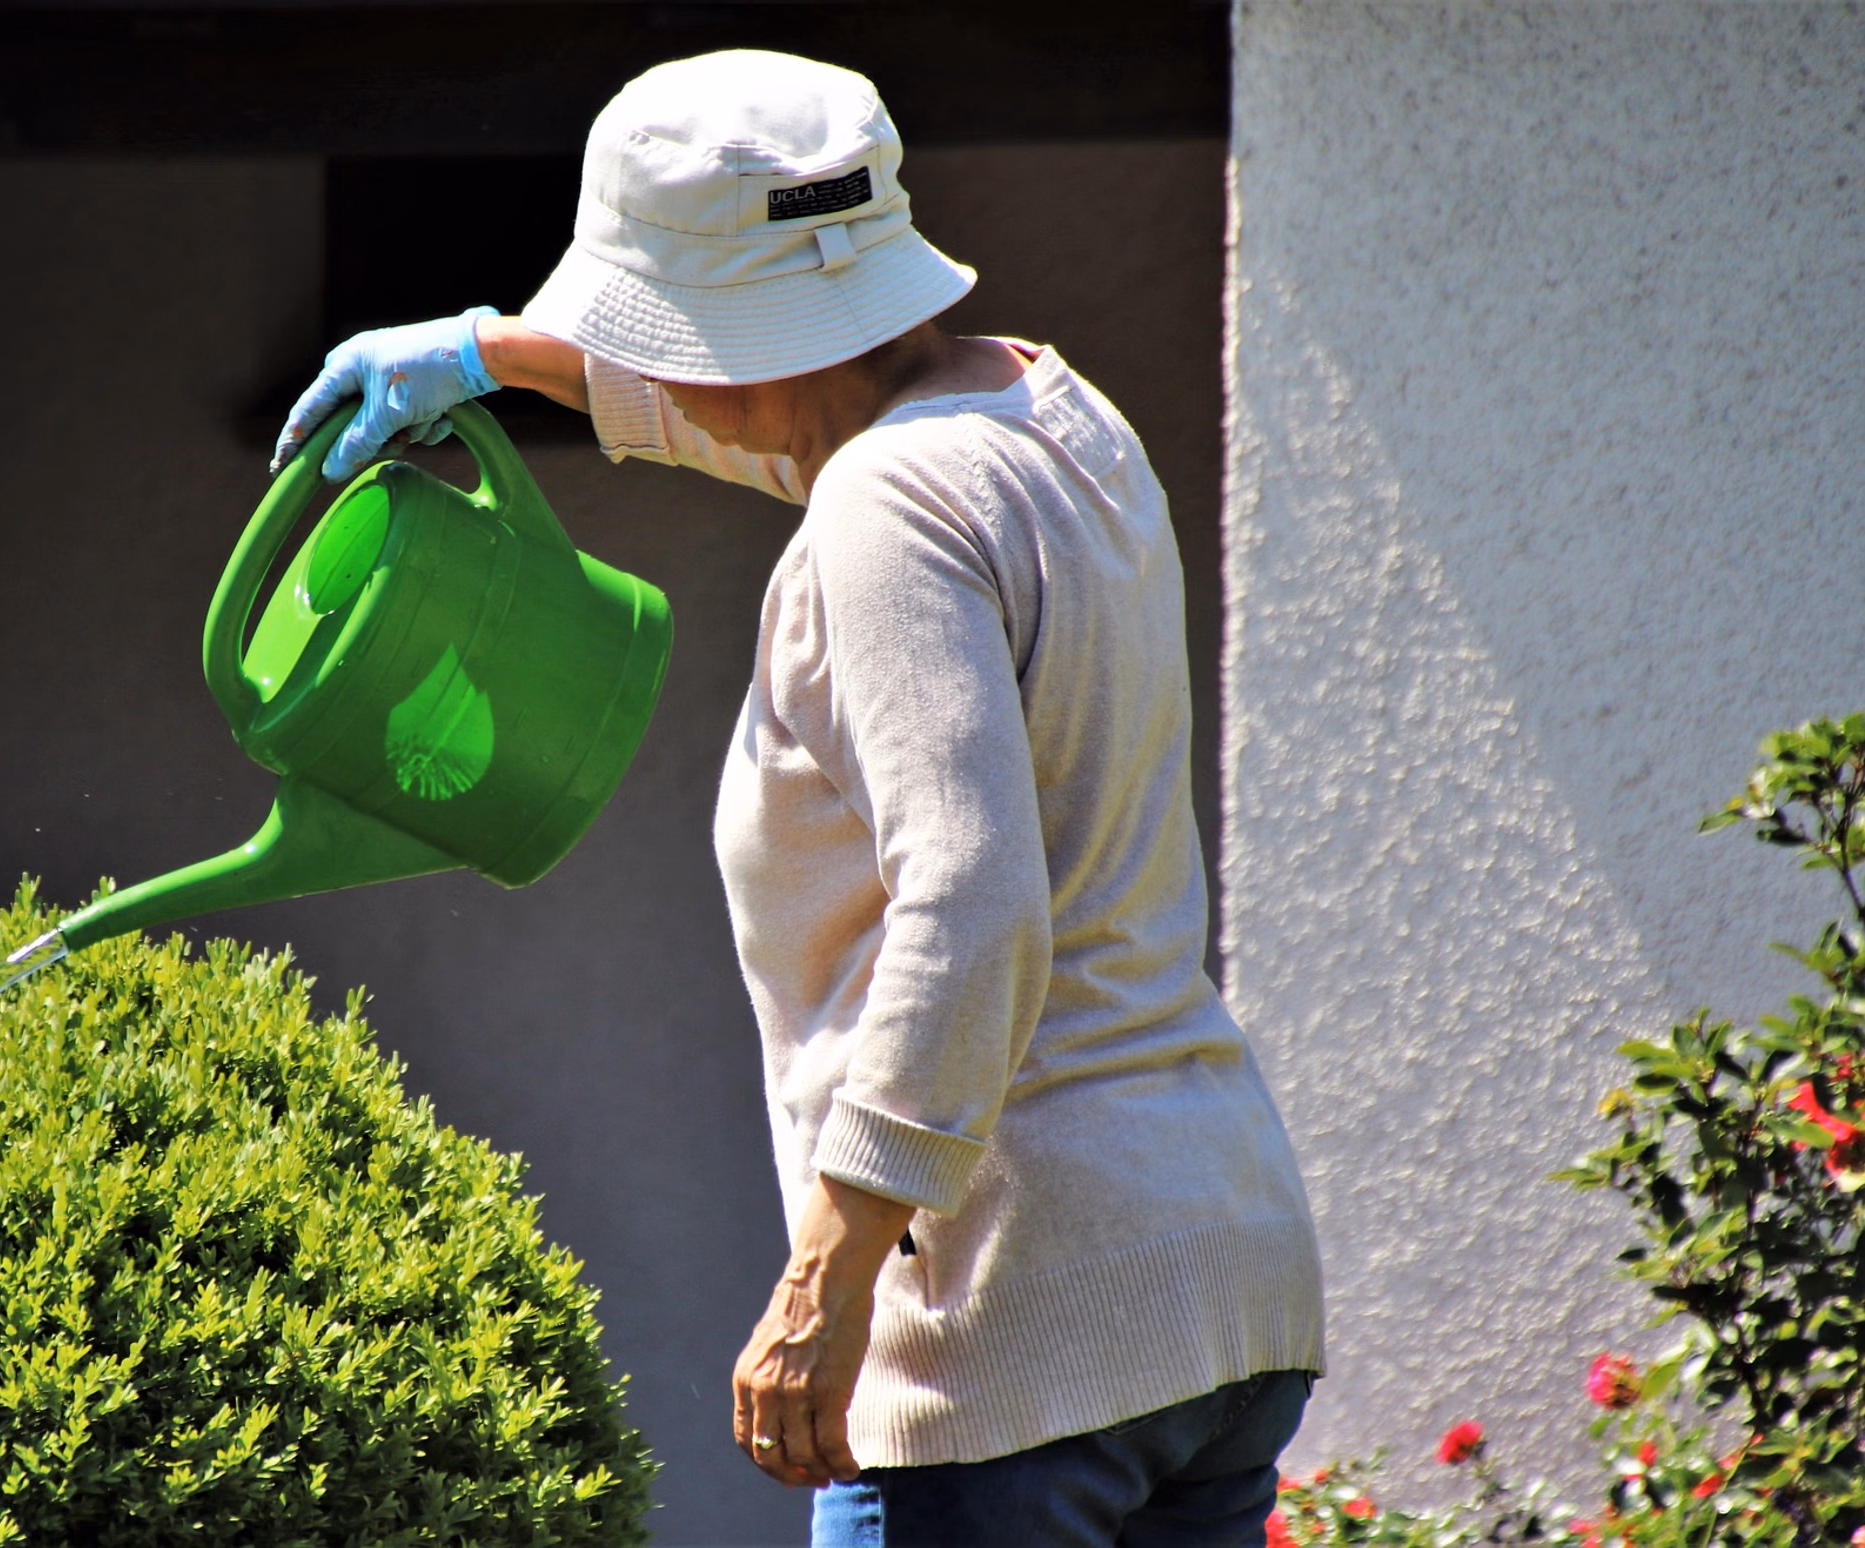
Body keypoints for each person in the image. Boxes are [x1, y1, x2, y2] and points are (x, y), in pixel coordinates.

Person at [272, 49, 1325, 1548]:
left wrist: (828, 1287)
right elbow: (808, 423)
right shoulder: (1047, 413)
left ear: (720, 333)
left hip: (1009, 1325)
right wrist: (501, 354)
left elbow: (969, 903)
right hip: (1213, 1274)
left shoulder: (882, 514)